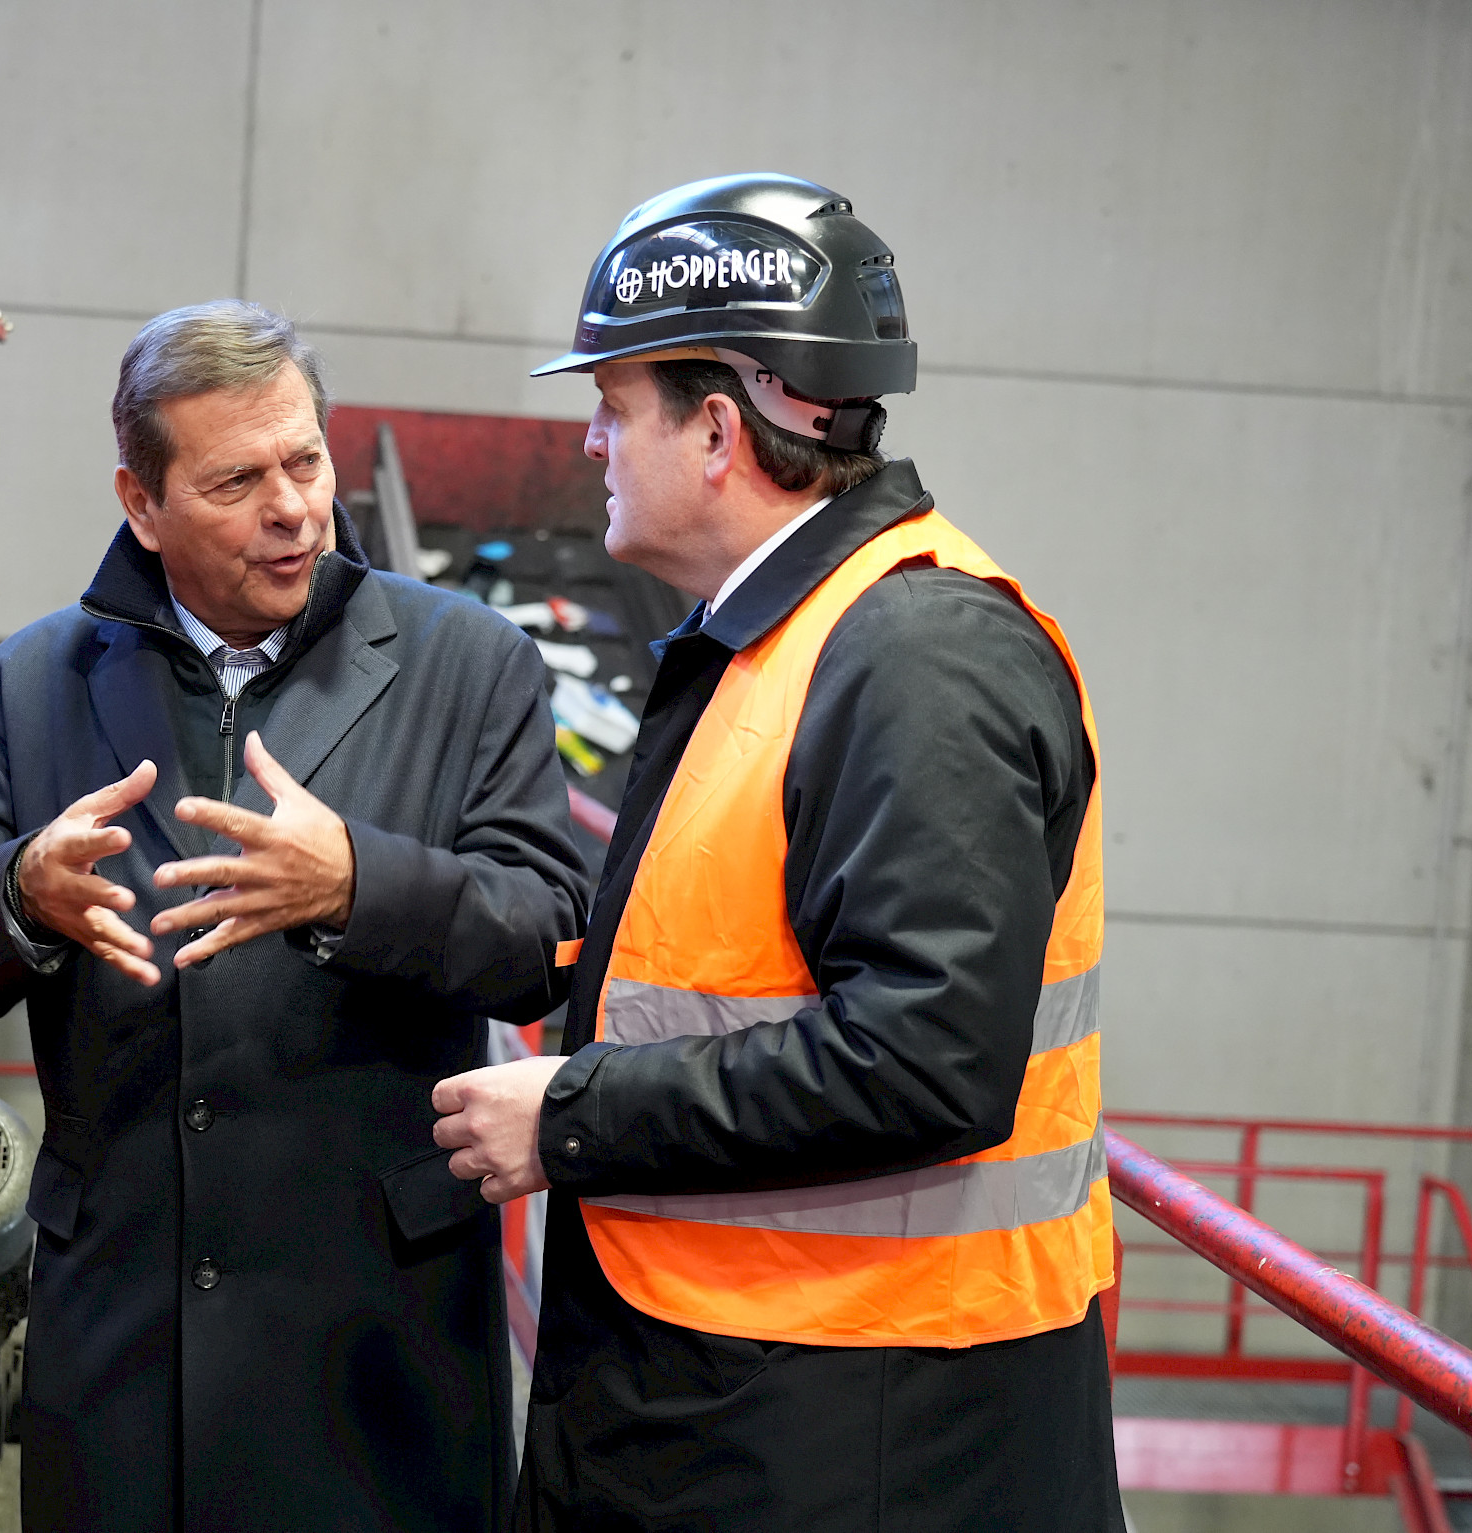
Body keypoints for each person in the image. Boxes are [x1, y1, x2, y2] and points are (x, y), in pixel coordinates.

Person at [431, 174, 1120, 1530]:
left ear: (717, 428)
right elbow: (692, 958)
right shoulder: (783, 645)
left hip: (864, 1431)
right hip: (753, 1399)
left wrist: (569, 1116)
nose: (588, 443)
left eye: (614, 406)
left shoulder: (917, 659)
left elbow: (927, 1060)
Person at [0, 300, 589, 1533]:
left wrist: (360, 889)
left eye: (305, 461)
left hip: (375, 1341)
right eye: (236, 481)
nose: (293, 509)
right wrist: (22, 897)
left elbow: (544, 940)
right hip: (121, 1331)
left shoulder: (465, 665)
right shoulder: (40, 679)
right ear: (141, 502)